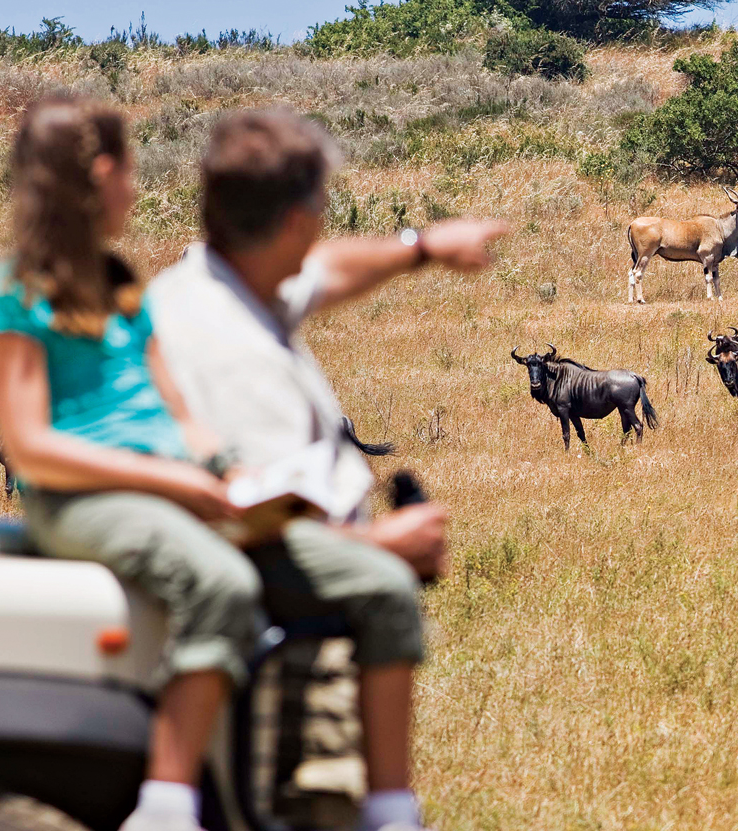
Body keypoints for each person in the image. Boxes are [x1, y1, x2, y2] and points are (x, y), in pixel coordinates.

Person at [145, 107, 507, 831]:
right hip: (280, 594)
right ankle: (390, 812)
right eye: (319, 208)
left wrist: (423, 246)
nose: (323, 226)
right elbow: (254, 508)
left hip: (283, 562)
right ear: (296, 222)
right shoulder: (227, 348)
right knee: (384, 602)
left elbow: (328, 273)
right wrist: (384, 546)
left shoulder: (214, 281)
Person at [0, 95, 247, 831]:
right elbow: (29, 446)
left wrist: (225, 464)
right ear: (100, 176)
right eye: (129, 169)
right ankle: (165, 804)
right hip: (80, 496)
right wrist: (177, 479)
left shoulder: (123, 280)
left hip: (157, 483)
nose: (138, 185)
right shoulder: (15, 292)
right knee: (220, 580)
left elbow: (176, 407)